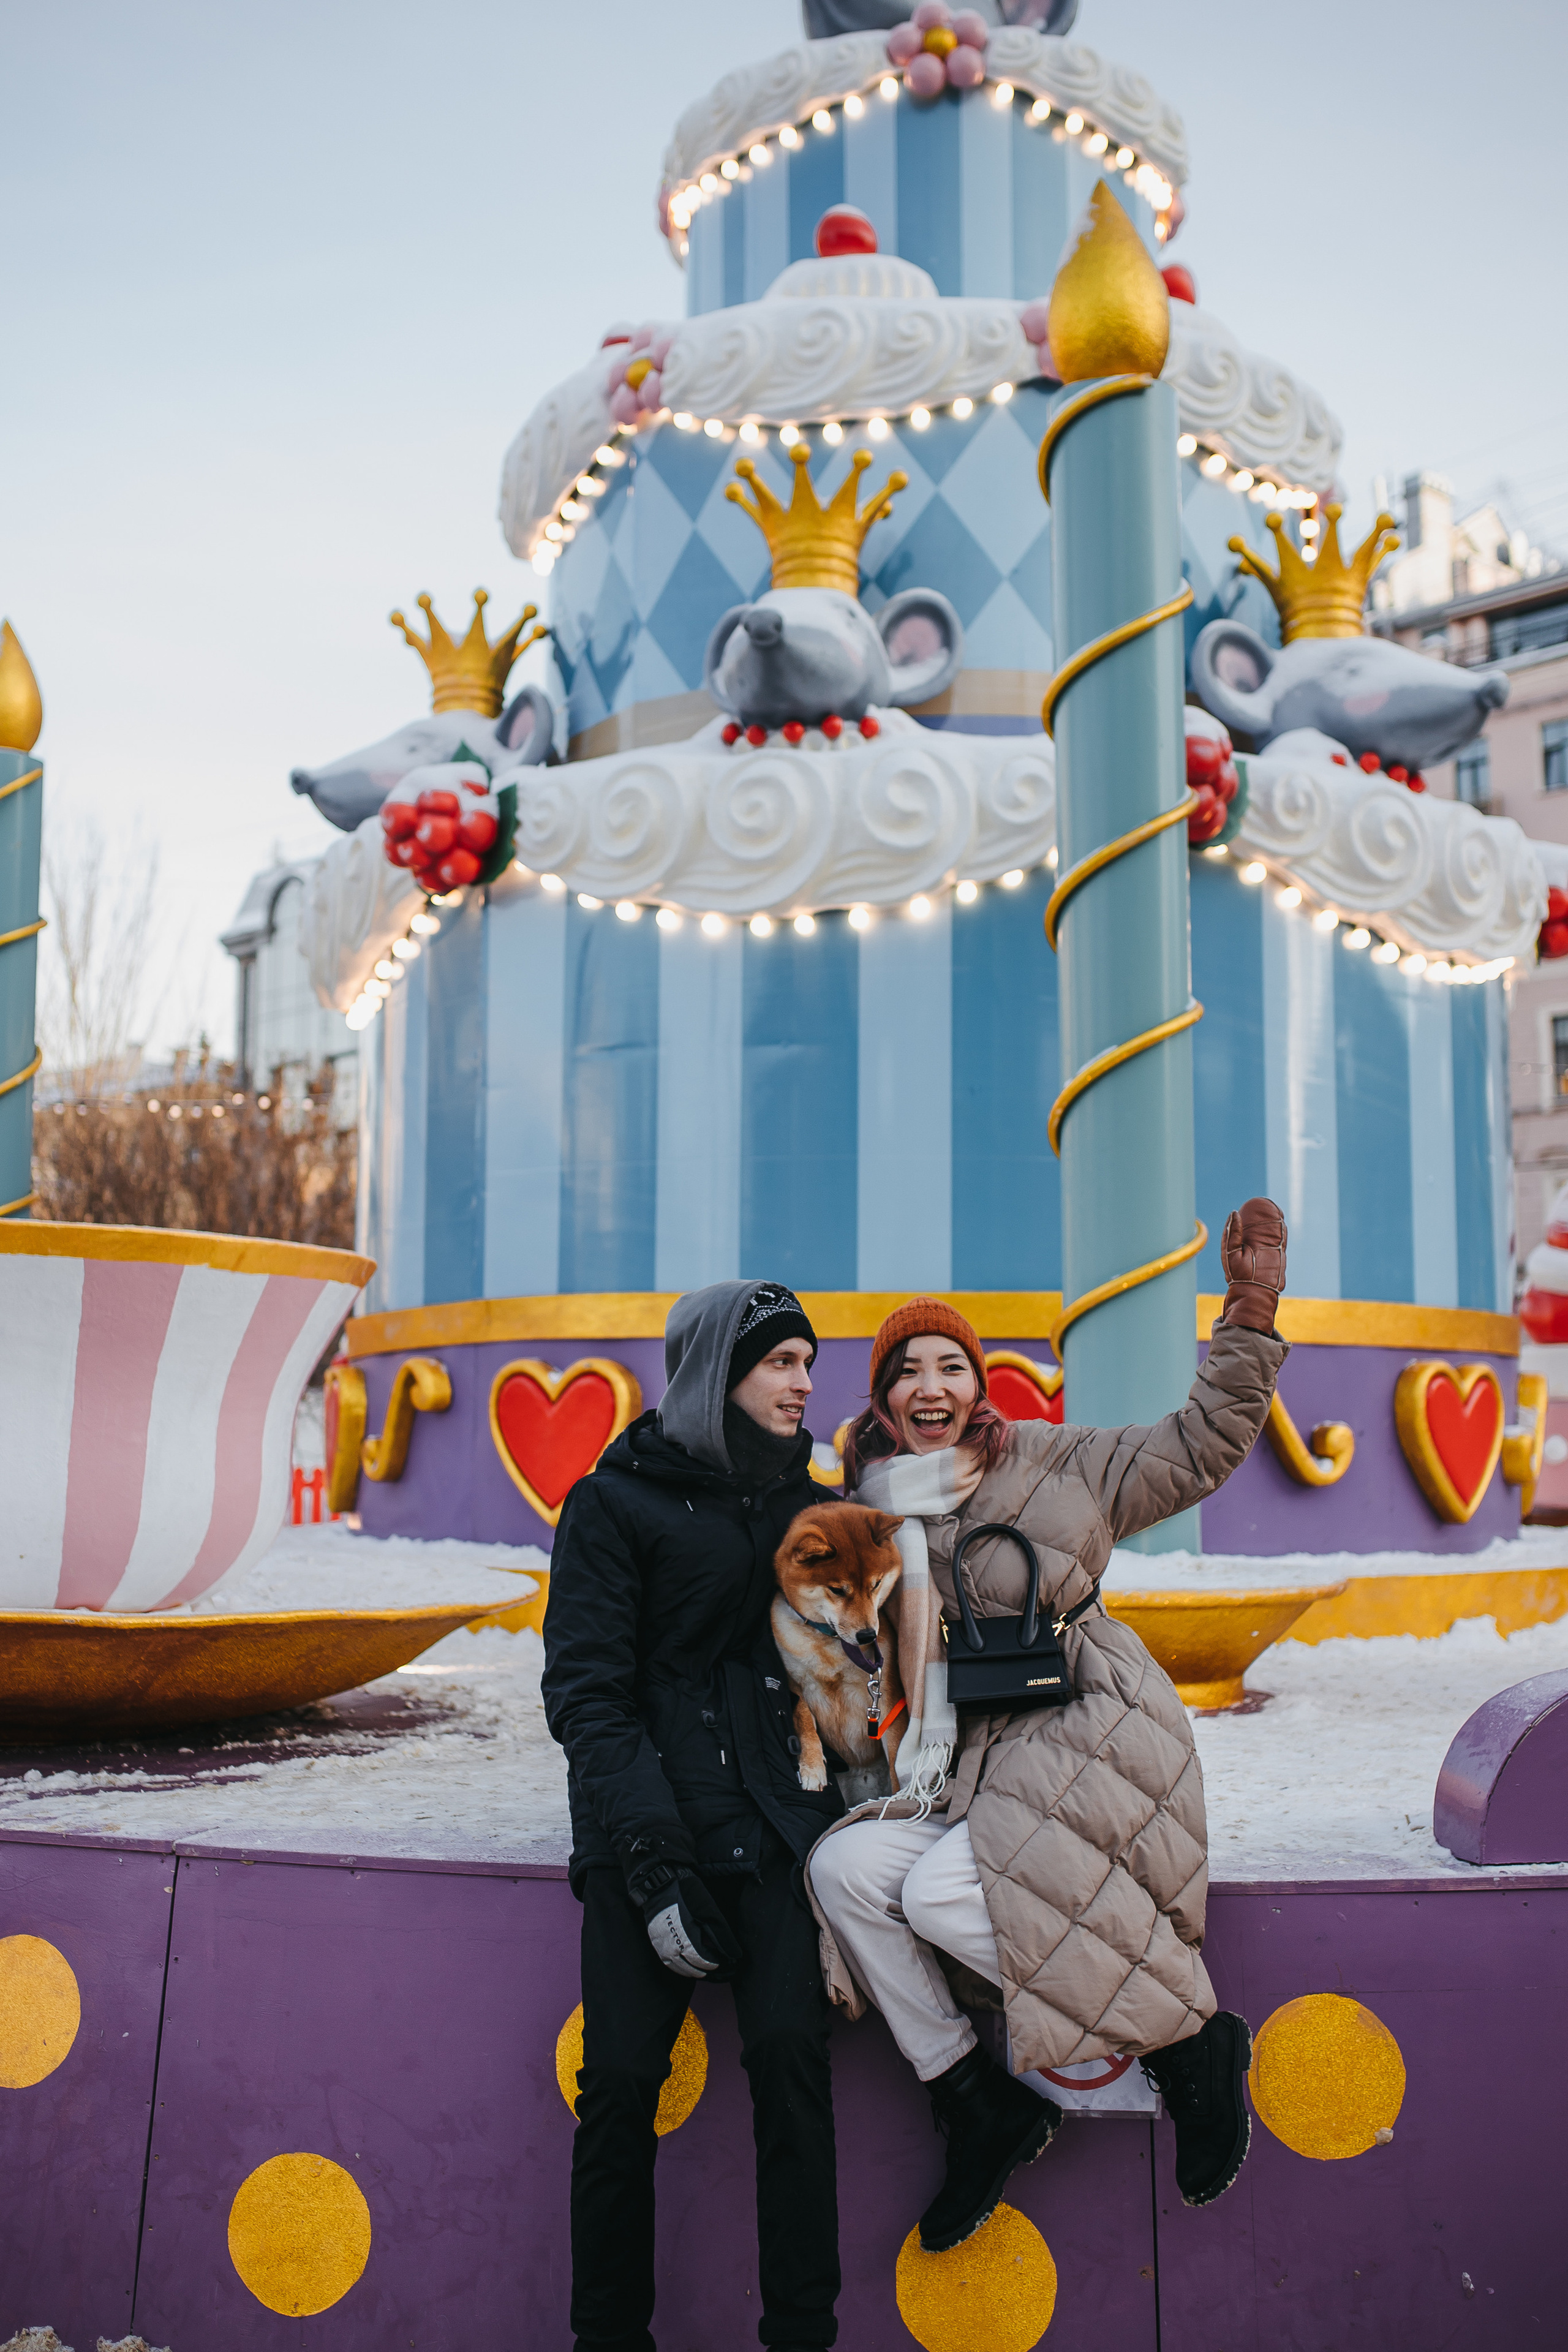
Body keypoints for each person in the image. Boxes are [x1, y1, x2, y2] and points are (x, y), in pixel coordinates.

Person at [808, 1199, 1289, 2252]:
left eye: (949, 1367)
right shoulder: (871, 1509)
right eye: (906, 1372)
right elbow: (839, 1645)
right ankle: (978, 2101)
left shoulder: (1059, 1461)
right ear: (884, 1398)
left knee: (939, 1889)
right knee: (843, 1875)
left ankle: (1187, 2043)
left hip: (1085, 1717)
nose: (929, 1388)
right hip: (971, 1754)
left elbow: (1202, 1444)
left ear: (979, 1384)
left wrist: (1248, 1317)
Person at [542, 1281, 845, 2352]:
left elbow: (839, 1676)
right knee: (620, 2086)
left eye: (810, 1362)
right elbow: (588, 1697)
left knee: (792, 2070)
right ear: (719, 1372)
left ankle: (804, 2335)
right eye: (781, 1362)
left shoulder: (806, 1502)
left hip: (768, 1836)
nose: (805, 1382)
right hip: (647, 1836)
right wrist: (652, 1867)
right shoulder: (613, 1502)